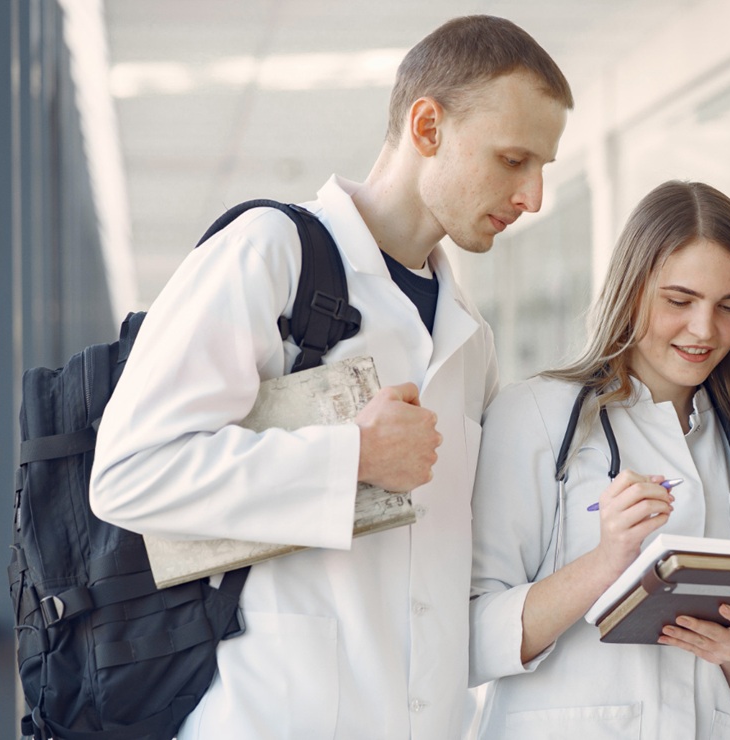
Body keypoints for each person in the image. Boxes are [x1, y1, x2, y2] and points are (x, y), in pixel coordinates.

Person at [89, 15, 571, 738]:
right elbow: (130, 472)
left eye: (543, 169)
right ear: (428, 126)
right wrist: (353, 459)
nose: (532, 197)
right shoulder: (268, 252)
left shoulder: (470, 336)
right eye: (513, 160)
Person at [467, 180, 730, 739]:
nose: (704, 330)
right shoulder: (536, 416)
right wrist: (605, 562)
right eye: (679, 301)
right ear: (632, 290)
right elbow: (468, 636)